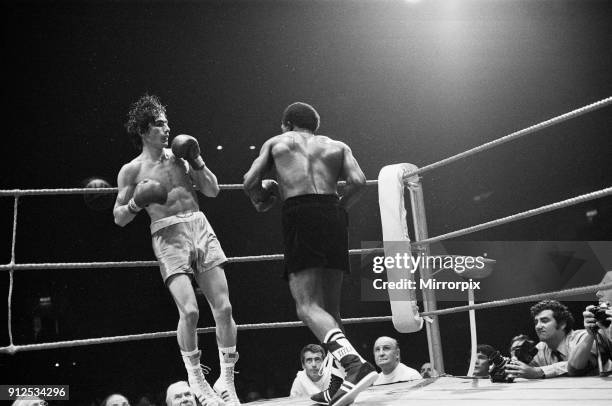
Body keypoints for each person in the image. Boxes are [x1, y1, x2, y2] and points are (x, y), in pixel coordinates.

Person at [243, 102, 375, 406]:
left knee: (306, 307)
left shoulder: (278, 143)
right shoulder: (338, 146)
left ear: (286, 124)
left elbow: (249, 181)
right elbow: (359, 182)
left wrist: (264, 195)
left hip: (300, 213)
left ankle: (354, 364)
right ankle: (342, 383)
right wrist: (339, 205)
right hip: (334, 213)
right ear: (314, 125)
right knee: (329, 309)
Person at [113, 94, 239, 406]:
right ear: (143, 131)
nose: (166, 129)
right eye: (158, 124)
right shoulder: (131, 170)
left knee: (223, 309)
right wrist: (135, 202)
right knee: (191, 311)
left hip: (199, 227)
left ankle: (227, 381)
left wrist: (198, 160)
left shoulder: (182, 157)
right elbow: (119, 217)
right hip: (168, 236)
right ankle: (197, 382)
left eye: (167, 122)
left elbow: (212, 190)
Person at [505, 300, 588, 379]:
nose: (538, 326)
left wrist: (539, 371)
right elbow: (526, 370)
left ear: (562, 324)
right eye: (536, 322)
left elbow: (574, 366)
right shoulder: (541, 348)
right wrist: (512, 361)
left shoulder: (582, 337)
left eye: (544, 321)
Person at [568, 271, 612, 376]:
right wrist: (591, 334)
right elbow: (574, 369)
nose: (598, 293)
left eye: (605, 286)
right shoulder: (605, 326)